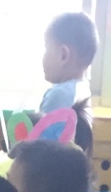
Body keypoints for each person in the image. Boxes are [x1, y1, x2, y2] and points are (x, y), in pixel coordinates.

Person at [40, 10, 98, 153]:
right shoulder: (82, 89)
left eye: (46, 48)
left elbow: (39, 147)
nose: (43, 57)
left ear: (63, 55)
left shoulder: (59, 95)